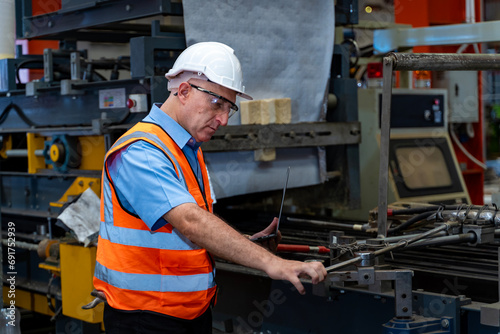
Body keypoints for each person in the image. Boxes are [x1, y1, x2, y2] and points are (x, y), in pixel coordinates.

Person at [93, 41, 327, 334]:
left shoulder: (187, 147)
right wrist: (271, 263)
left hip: (189, 312)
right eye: (217, 103)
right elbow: (191, 222)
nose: (224, 119)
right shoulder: (140, 151)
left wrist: (245, 244)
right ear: (184, 91)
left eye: (230, 107)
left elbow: (184, 234)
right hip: (145, 318)